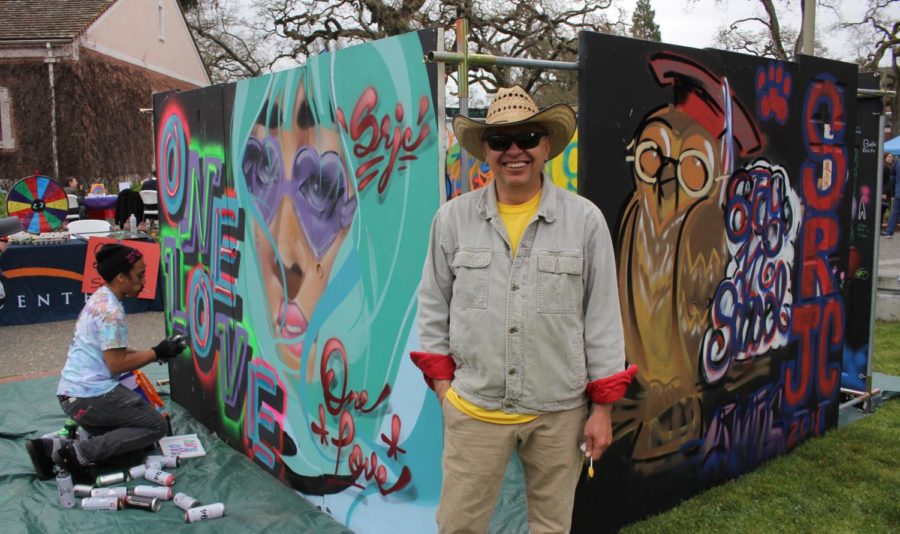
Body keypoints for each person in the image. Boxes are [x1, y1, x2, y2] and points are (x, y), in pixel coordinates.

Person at [411, 86, 637, 533]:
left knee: (552, 527)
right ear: (485, 152)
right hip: (474, 409)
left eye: (528, 137)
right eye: (500, 141)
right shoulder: (452, 220)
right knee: (458, 526)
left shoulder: (585, 221)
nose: (515, 151)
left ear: (547, 145)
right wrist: (444, 391)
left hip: (560, 412)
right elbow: (433, 303)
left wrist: (603, 409)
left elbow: (603, 318)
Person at [25, 243, 186, 482]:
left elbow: (113, 350)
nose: (144, 280)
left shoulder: (101, 297)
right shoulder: (111, 312)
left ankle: (51, 447)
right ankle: (77, 453)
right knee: (155, 428)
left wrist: (157, 352)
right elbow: (117, 364)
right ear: (121, 277)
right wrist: (157, 351)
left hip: (73, 395)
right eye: (140, 275)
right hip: (91, 396)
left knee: (130, 453)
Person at [882, 152, 900, 238]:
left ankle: (889, 232)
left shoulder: (897, 163)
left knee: (895, 212)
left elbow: (892, 177)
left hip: (898, 192)